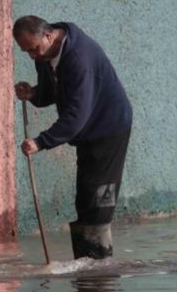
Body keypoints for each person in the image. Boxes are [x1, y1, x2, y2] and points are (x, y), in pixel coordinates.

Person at [13, 15, 132, 259]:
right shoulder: (45, 55)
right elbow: (50, 93)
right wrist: (33, 93)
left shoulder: (79, 58)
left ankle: (99, 272)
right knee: (86, 197)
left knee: (99, 200)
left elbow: (76, 116)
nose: (32, 56)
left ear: (48, 35)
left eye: (33, 49)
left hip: (108, 130)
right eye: (26, 52)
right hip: (87, 132)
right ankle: (86, 268)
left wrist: (41, 141)